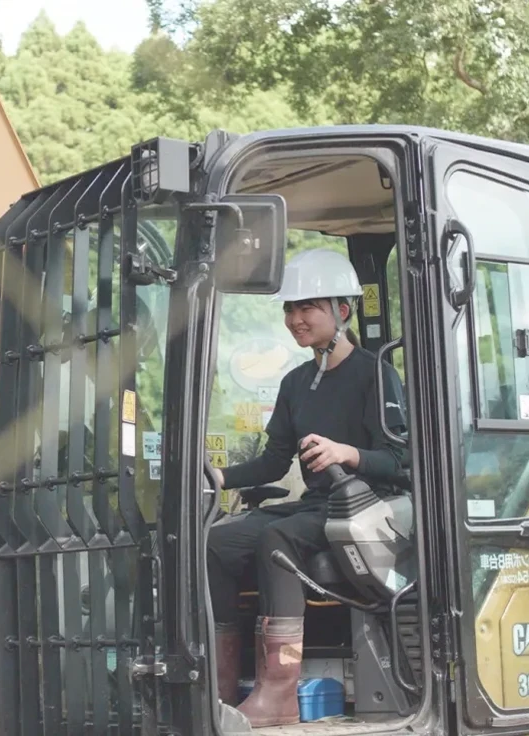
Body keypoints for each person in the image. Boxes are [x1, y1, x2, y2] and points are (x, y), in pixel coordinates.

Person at [208, 248, 408, 727]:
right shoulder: (296, 382)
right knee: (217, 540)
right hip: (318, 505)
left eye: (307, 308)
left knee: (279, 539)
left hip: (362, 507)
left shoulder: (375, 375)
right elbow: (275, 461)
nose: (295, 320)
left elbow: (401, 462)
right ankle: (218, 684)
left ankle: (278, 693)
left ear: (342, 311)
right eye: (289, 310)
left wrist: (346, 453)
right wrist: (220, 477)